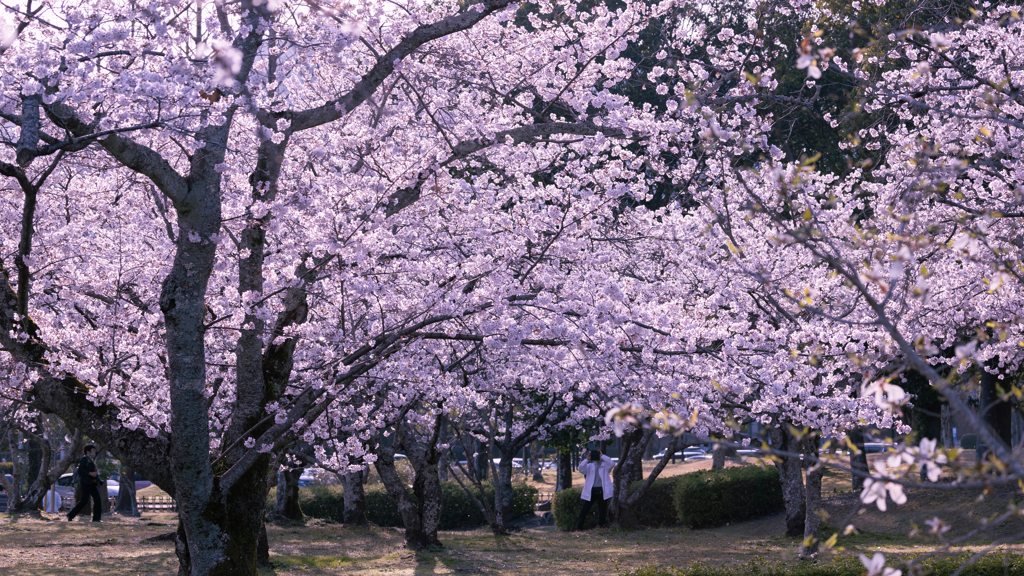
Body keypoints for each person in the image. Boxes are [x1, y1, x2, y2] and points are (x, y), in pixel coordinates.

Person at [576, 448, 613, 530]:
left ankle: (601, 527)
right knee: (584, 510)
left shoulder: (605, 466)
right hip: (591, 491)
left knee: (602, 511)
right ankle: (579, 528)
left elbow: (612, 463)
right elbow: (580, 469)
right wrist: (587, 459)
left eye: (598, 454)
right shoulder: (589, 466)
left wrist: (602, 456)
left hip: (602, 491)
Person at [67, 444, 102, 522]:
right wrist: (90, 473)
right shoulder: (84, 459)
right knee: (84, 501)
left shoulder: (91, 460)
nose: (94, 452)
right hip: (86, 483)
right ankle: (70, 515)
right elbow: (80, 470)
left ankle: (96, 518)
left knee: (97, 500)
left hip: (92, 483)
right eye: (92, 451)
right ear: (88, 452)